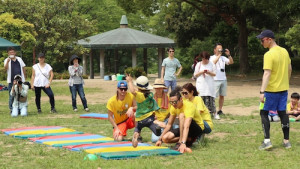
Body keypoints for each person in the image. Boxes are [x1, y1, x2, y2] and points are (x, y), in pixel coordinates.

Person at [257, 29, 292, 150]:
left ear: (269, 39)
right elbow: (290, 69)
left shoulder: (269, 54)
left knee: (263, 113)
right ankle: (286, 141)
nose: (261, 43)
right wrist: (285, 81)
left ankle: (267, 141)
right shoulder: (284, 51)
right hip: (283, 89)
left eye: (262, 40)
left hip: (271, 90)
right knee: (283, 113)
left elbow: (267, 73)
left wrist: (262, 91)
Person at [156, 86, 204, 153]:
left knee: (181, 115)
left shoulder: (189, 106)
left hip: (196, 128)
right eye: (171, 102)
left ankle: (181, 142)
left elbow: (187, 126)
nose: (173, 104)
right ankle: (188, 139)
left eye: (175, 102)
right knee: (165, 138)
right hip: (184, 127)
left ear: (181, 99)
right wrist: (160, 139)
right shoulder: (173, 106)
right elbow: (169, 124)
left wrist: (183, 143)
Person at [126, 75, 161, 148]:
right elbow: (137, 90)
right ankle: (157, 130)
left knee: (138, 129)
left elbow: (133, 91)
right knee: (156, 132)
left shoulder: (139, 96)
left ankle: (136, 136)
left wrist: (129, 81)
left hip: (140, 119)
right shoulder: (149, 95)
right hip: (149, 118)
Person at [210, 43, 234, 116]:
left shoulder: (223, 58)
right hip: (215, 79)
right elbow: (213, 63)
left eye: (221, 49)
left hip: (223, 79)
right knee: (213, 96)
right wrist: (219, 55)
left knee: (222, 95)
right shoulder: (211, 57)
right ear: (214, 50)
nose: (220, 50)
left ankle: (220, 110)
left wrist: (229, 55)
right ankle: (212, 110)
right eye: (218, 49)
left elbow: (231, 62)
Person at [194, 51, 218, 119]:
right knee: (201, 100)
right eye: (203, 58)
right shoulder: (199, 64)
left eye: (206, 59)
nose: (204, 60)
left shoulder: (212, 64)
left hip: (209, 85)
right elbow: (195, 75)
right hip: (201, 85)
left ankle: (214, 113)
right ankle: (202, 114)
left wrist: (209, 72)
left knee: (211, 99)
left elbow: (215, 74)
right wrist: (201, 72)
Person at [4, 47, 26, 114]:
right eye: (10, 53)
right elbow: (5, 68)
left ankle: (19, 109)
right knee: (12, 96)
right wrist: (7, 62)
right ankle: (11, 109)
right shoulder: (6, 60)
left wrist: (24, 77)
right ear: (8, 53)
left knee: (20, 95)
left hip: (20, 80)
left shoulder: (19, 59)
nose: (12, 53)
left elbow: (23, 67)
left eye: (13, 52)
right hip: (11, 81)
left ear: (15, 53)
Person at [151, 78, 171, 142]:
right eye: (157, 88)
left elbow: (172, 112)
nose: (158, 90)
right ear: (155, 89)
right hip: (157, 122)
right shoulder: (151, 99)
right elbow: (150, 115)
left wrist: (167, 123)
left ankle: (167, 133)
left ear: (163, 88)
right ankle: (166, 134)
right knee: (154, 139)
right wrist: (158, 122)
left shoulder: (169, 98)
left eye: (160, 88)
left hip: (167, 120)